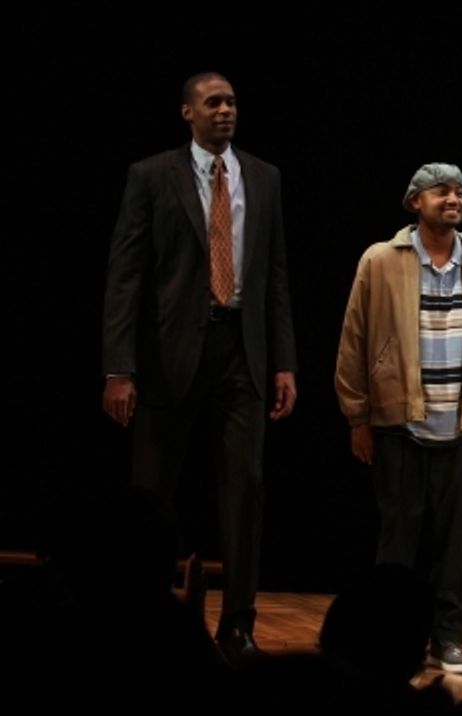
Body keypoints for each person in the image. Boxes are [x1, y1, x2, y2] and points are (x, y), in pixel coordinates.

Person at [100, 72, 298, 663]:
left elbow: (276, 277)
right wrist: (119, 367)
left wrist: (284, 360)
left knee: (246, 489)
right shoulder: (152, 175)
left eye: (233, 101)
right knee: (151, 492)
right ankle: (142, 615)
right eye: (213, 103)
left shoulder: (263, 177)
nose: (225, 111)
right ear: (187, 112)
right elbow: (125, 276)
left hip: (241, 349)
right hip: (168, 355)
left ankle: (237, 623)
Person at [334, 162, 462, 675]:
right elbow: (355, 339)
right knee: (399, 541)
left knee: (457, 545)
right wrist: (357, 415)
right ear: (415, 201)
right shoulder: (381, 261)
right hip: (400, 425)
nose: (453, 198)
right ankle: (388, 637)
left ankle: (449, 638)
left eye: (459, 191)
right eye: (441, 191)